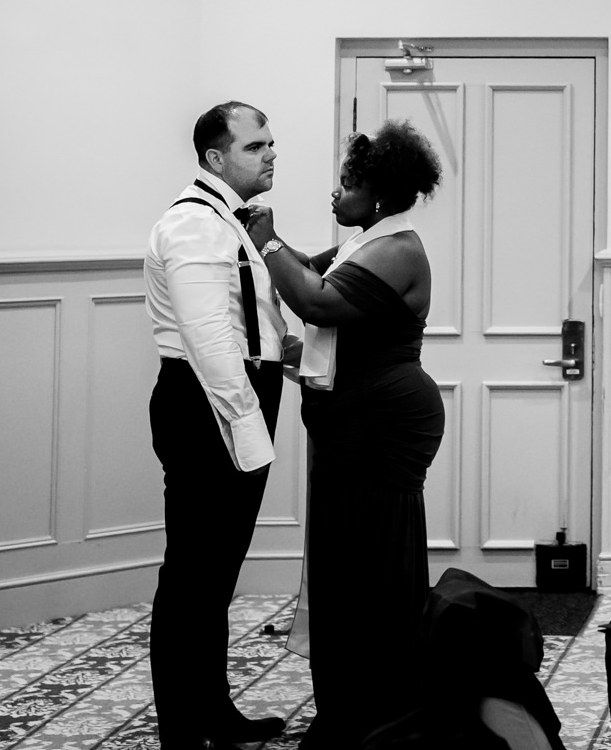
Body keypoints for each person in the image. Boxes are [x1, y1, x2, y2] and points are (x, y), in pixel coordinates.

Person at [246, 122, 446, 749]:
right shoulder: (367, 241)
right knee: (346, 567)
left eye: (347, 185)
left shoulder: (399, 249)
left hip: (383, 423)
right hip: (353, 422)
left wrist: (266, 236)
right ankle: (355, 707)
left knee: (372, 567)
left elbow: (318, 303)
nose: (335, 194)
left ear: (379, 195)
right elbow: (310, 270)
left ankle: (381, 714)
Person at [143, 102, 293, 749]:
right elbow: (209, 343)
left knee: (215, 574)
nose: (270, 154)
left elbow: (241, 324)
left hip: (230, 397)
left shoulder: (224, 220)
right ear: (215, 157)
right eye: (255, 145)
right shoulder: (193, 226)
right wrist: (250, 429)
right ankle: (183, 727)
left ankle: (212, 709)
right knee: (192, 576)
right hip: (210, 404)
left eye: (270, 143)